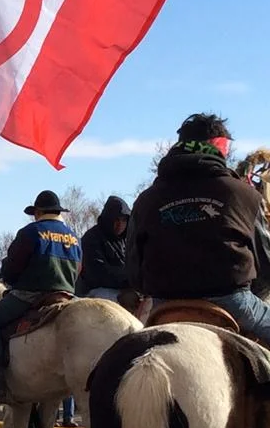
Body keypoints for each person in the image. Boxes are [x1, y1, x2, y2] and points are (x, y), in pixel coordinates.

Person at [128, 113, 270, 341]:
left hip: (163, 305)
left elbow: (134, 271)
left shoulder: (145, 201)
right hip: (233, 303)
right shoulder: (244, 195)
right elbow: (265, 263)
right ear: (221, 149)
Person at [0, 190, 82, 402]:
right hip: (67, 295)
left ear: (39, 212)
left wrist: (7, 277)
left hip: (32, 294)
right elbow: (79, 269)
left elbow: (13, 267)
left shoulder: (31, 232)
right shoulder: (74, 237)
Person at [76, 196, 131, 300]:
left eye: (124, 220)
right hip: (92, 292)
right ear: (108, 219)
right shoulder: (92, 238)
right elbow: (98, 274)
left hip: (123, 287)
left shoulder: (126, 241)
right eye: (116, 219)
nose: (120, 224)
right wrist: (129, 278)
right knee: (126, 299)